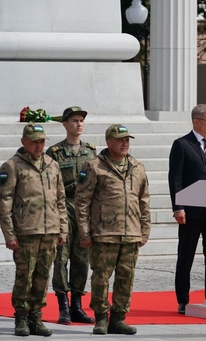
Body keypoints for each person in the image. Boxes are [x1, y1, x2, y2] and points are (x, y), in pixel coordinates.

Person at [75, 124, 151, 335]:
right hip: (103, 233)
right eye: (120, 140)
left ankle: (118, 318)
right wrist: (84, 232)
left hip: (131, 232)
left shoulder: (137, 167)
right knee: (101, 277)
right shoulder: (94, 166)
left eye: (127, 140)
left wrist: (145, 229)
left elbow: (144, 200)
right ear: (109, 142)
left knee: (126, 278)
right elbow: (82, 202)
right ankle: (101, 317)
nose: (125, 143)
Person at [0, 123, 68, 337]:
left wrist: (62, 229)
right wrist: (9, 234)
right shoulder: (12, 166)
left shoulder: (52, 164)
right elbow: (4, 202)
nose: (39, 146)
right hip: (26, 231)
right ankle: (21, 316)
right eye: (34, 142)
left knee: (42, 276)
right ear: (24, 142)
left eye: (42, 141)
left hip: (50, 231)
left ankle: (36, 317)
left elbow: (60, 199)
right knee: (25, 275)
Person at [168, 104, 206, 314]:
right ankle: (183, 300)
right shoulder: (182, 144)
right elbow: (175, 178)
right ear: (196, 122)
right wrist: (178, 207)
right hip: (190, 212)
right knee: (186, 256)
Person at [46, 106, 96, 325]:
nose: (79, 124)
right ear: (65, 124)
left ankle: (77, 304)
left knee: (82, 258)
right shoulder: (54, 153)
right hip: (63, 207)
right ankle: (63, 306)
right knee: (61, 257)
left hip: (84, 209)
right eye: (74, 121)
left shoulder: (91, 152)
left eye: (81, 121)